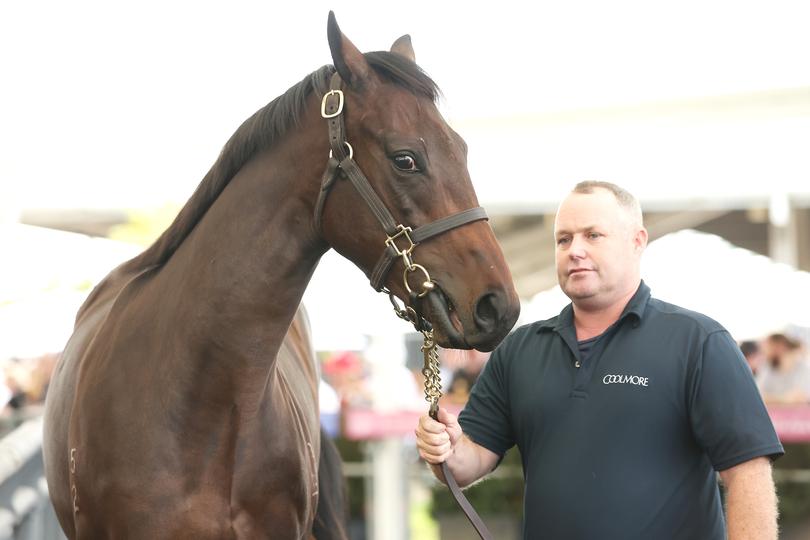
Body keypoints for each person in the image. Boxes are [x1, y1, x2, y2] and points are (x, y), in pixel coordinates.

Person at [415, 181, 783, 539]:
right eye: (564, 239)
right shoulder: (519, 350)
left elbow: (748, 471)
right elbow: (470, 459)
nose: (575, 250)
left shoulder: (698, 341)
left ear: (637, 242)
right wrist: (445, 449)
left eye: (593, 235)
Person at [756, 332, 810, 404]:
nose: (764, 352)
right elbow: (758, 396)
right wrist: (784, 399)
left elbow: (801, 398)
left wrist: (772, 398)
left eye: (767, 347)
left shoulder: (802, 368)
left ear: (779, 347)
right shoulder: (767, 367)